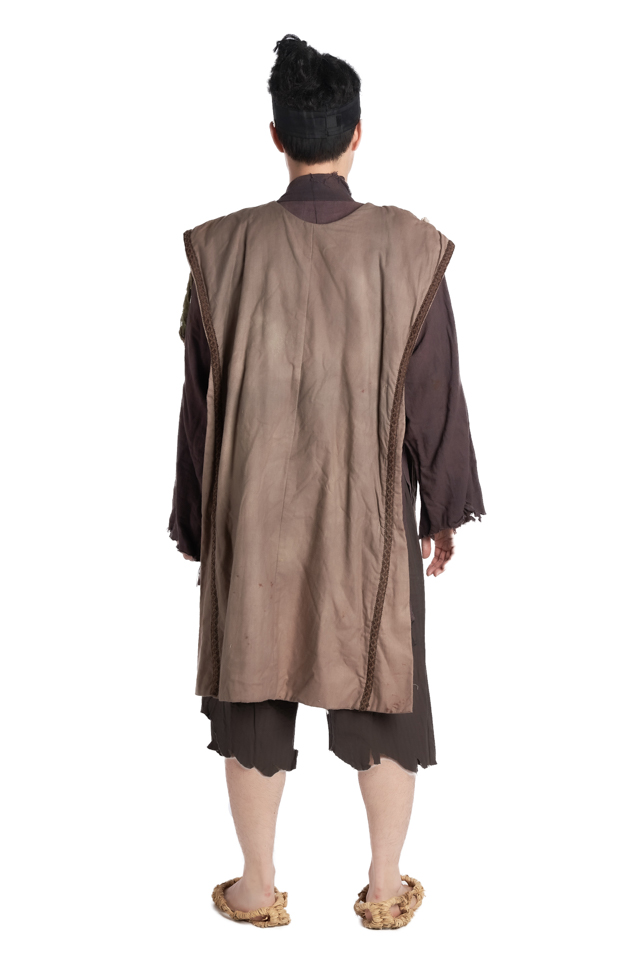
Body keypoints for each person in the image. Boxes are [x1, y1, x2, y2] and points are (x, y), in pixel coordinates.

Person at [168, 34, 485, 930]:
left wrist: (195, 518)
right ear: (357, 135)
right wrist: (442, 509)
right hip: (368, 521)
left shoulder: (221, 249)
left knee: (252, 688)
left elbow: (200, 404)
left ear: (276, 136)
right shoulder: (409, 246)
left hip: (251, 516)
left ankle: (256, 889)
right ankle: (385, 891)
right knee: (381, 687)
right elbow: (435, 390)